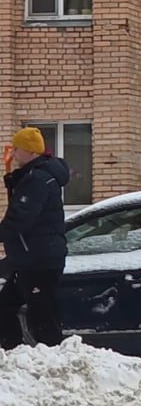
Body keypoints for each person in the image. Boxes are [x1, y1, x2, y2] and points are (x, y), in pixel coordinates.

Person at [0, 127, 70, 347]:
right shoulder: (35, 176)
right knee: (5, 306)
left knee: (42, 315)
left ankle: (53, 357)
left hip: (39, 259)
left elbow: (20, 217)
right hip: (31, 258)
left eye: (17, 149)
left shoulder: (37, 180)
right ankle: (12, 351)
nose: (13, 154)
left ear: (30, 152)